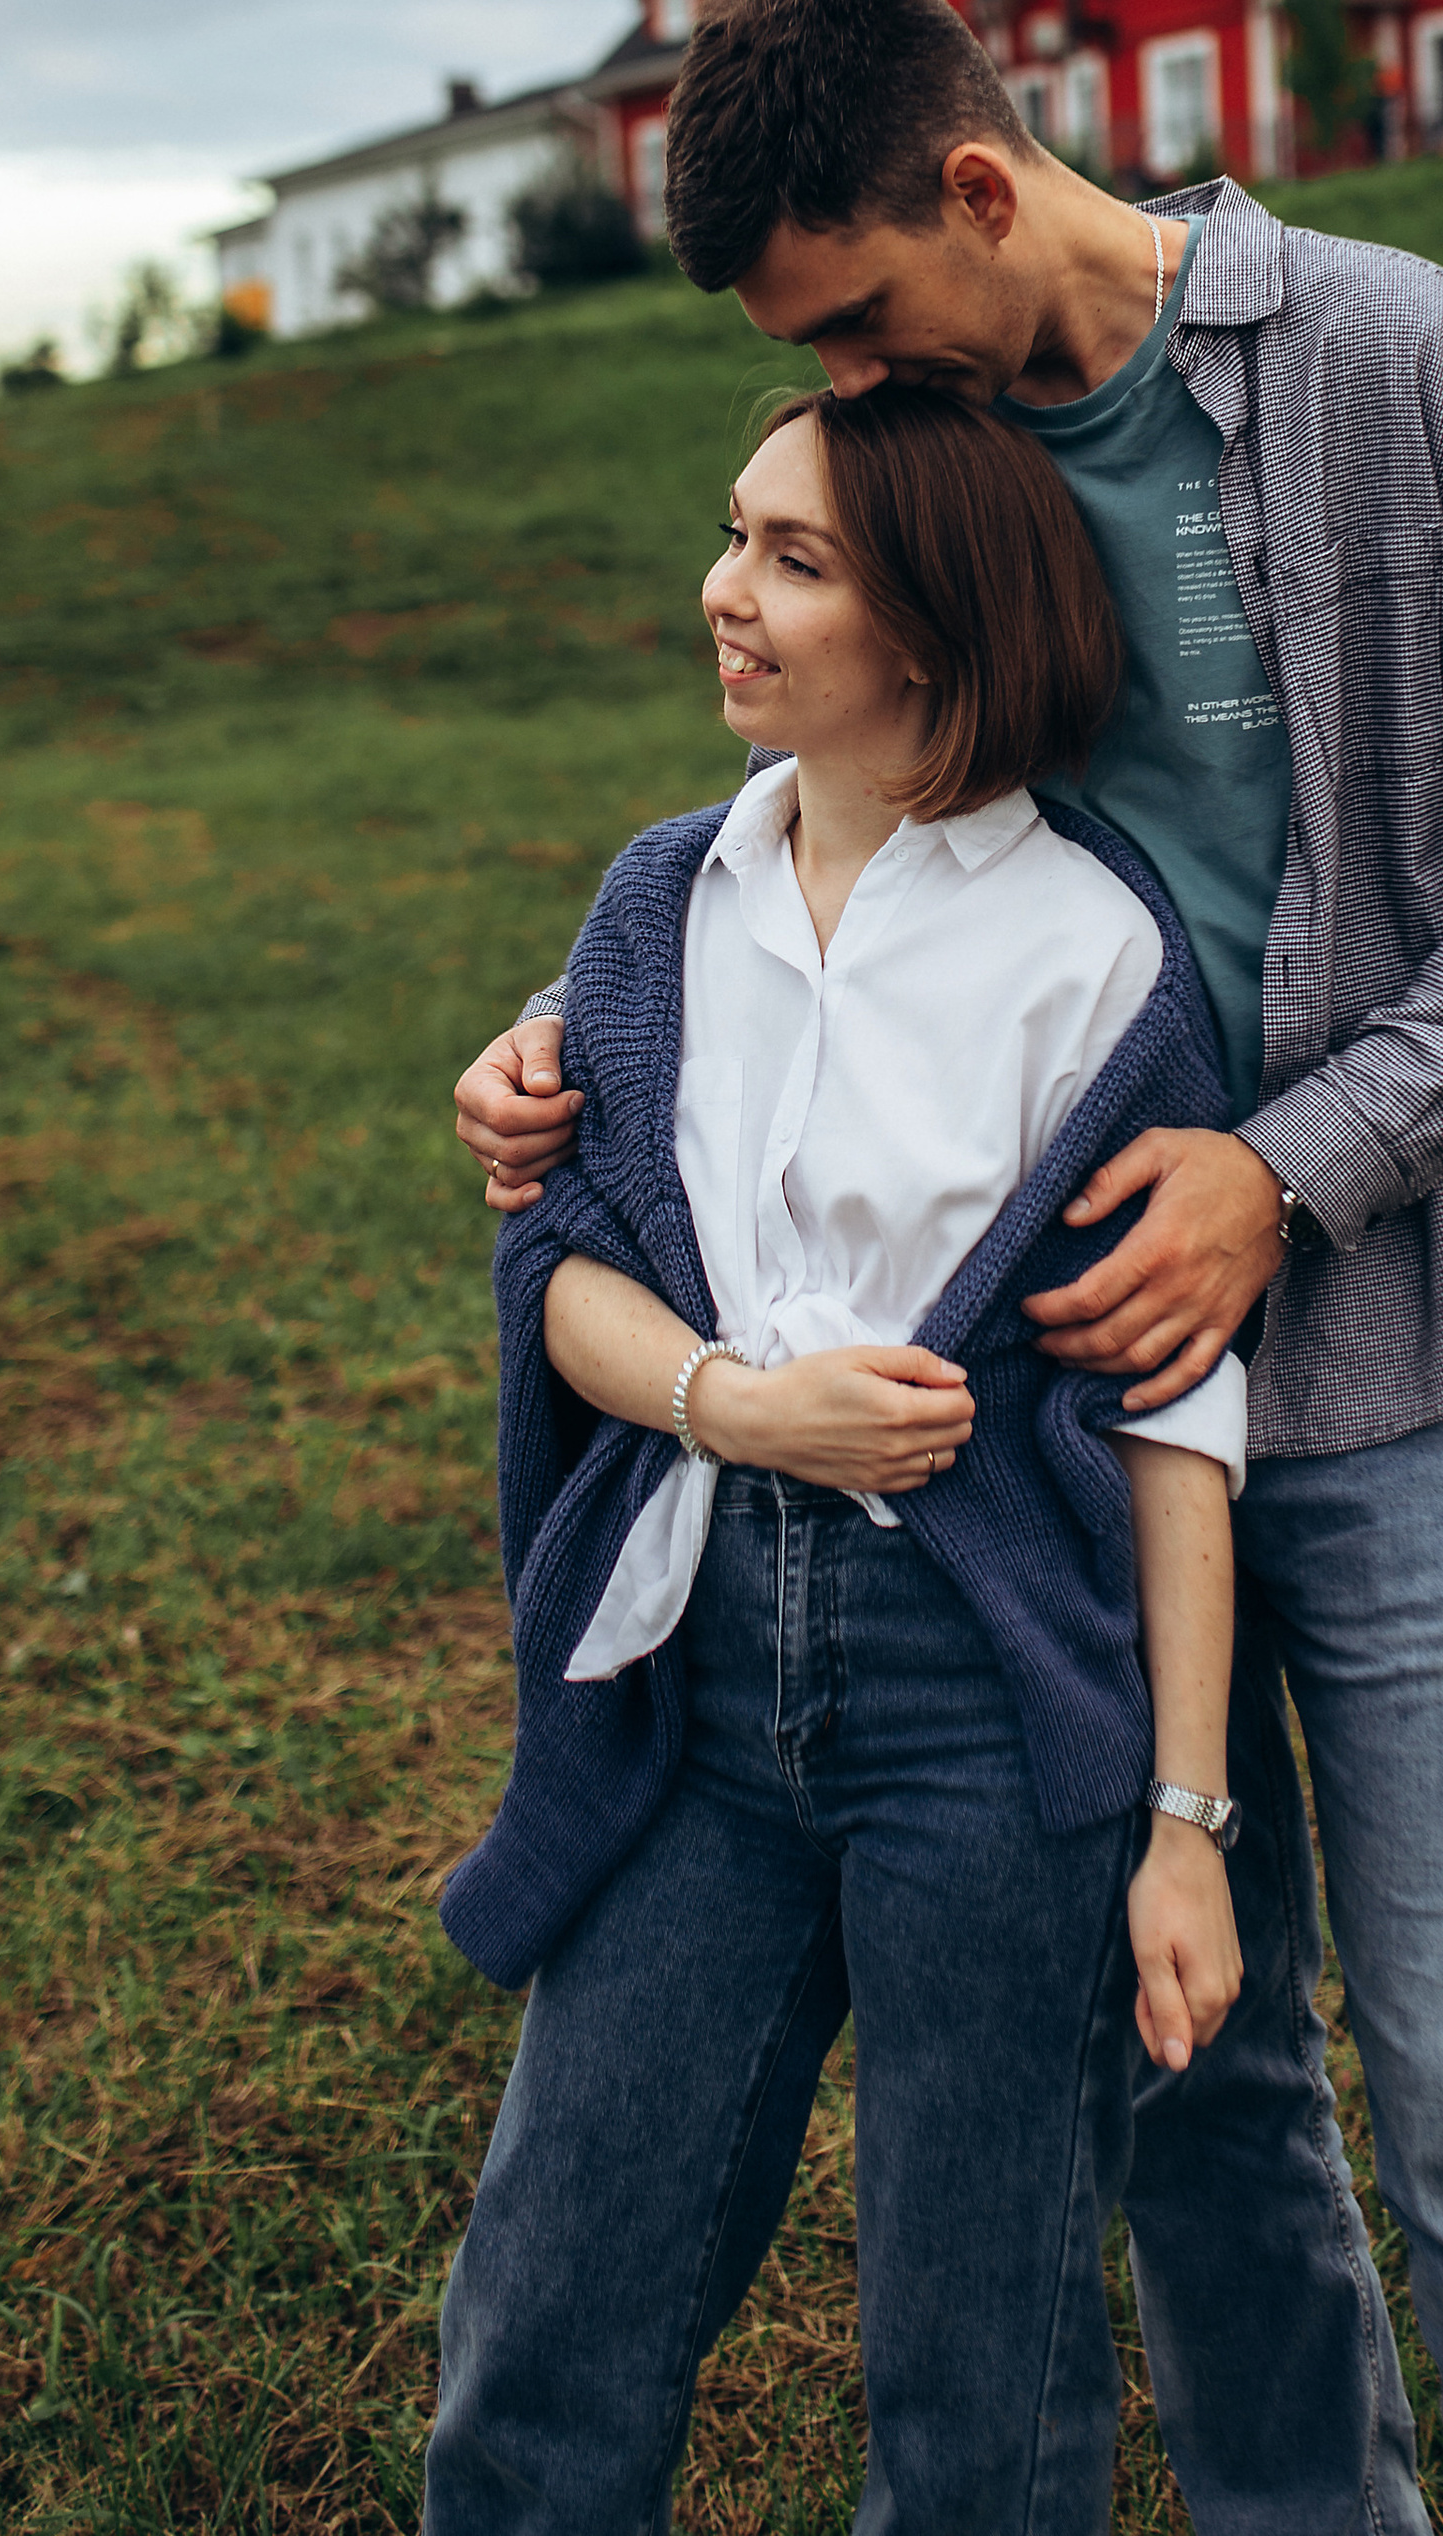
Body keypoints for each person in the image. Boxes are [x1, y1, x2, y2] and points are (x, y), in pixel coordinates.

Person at [457, 0, 1443, 2536]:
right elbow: (882, 827)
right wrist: (591, 1026)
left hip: (1413, 1356)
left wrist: (1293, 1162)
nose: (862, 387)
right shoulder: (947, 442)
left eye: (866, 314)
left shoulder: (1402, 363)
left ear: (980, 183)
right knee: (1192, 2080)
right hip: (1065, 1428)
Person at [426, 380, 1249, 2536]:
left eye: (794, 562)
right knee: (549, 2313)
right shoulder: (657, 903)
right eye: (733, 534)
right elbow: (562, 1275)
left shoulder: (1092, 955)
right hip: (692, 1678)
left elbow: (1167, 1415)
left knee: (976, 2384)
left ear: (935, 631)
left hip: (978, 1707)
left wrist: (1178, 1820)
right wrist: (733, 1402)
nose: (725, 592)